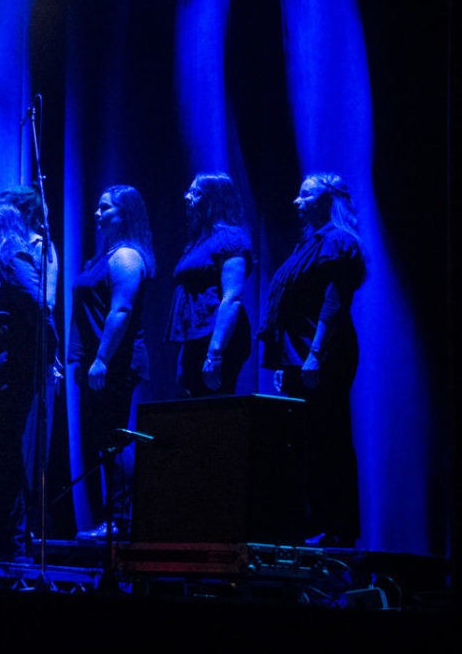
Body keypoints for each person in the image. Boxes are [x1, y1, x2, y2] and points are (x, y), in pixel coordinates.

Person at [261, 173, 366, 546]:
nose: (296, 202)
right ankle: (315, 522)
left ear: (325, 201)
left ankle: (336, 527)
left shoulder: (337, 241)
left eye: (305, 195)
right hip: (300, 355)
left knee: (328, 436)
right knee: (306, 439)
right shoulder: (308, 243)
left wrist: (315, 355)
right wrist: (285, 360)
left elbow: (334, 303)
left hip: (323, 352)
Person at [70, 185, 154, 539]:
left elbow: (120, 310)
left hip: (115, 363)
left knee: (114, 438)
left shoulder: (126, 258)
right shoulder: (105, 256)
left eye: (105, 208)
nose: (97, 213)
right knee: (102, 438)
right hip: (94, 362)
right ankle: (113, 519)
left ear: (125, 214)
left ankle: (119, 521)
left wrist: (102, 358)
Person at [0, 203, 45, 560]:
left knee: (5, 452)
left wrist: (31, 358)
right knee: (0, 452)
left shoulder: (12, 256)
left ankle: (10, 540)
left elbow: (37, 302)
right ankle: (5, 535)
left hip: (8, 373)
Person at [169, 173, 253, 396]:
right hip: (199, 337)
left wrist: (215, 353)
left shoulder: (230, 238)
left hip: (219, 336)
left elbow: (232, 297)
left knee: (214, 407)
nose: (187, 197)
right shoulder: (200, 242)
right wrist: (185, 355)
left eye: (196, 193)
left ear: (214, 200)